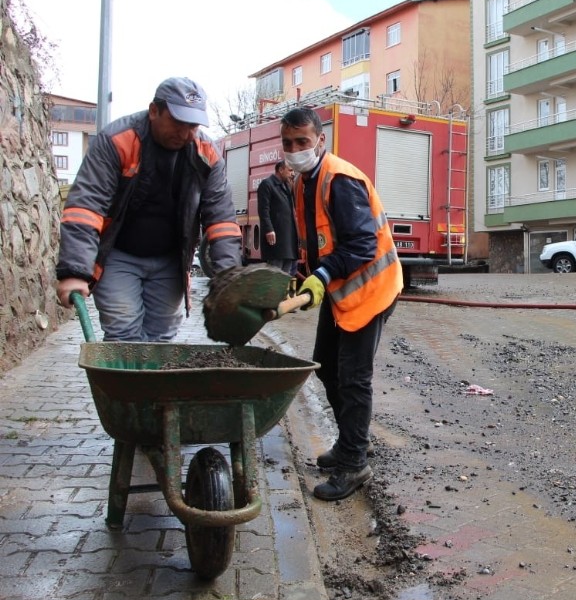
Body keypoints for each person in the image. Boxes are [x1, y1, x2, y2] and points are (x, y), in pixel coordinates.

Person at [55, 77, 242, 341]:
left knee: (161, 337)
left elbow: (221, 219)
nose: (187, 133)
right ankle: (122, 383)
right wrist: (74, 272)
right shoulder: (117, 141)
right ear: (154, 111)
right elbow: (86, 206)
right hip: (119, 255)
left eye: (194, 125)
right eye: (179, 122)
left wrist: (228, 280)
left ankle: (152, 384)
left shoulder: (206, 154)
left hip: (169, 260)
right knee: (123, 331)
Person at [281, 107, 403, 502]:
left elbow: (363, 246)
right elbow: (319, 241)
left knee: (353, 378)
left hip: (371, 290)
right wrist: (306, 278)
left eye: (303, 142)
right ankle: (354, 441)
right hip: (341, 292)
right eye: (289, 144)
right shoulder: (303, 182)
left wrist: (321, 276)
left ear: (320, 140)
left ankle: (354, 465)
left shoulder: (341, 179)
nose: (296, 150)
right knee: (327, 366)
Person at [258, 160, 299, 286]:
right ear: (280, 170)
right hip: (276, 238)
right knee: (275, 272)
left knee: (285, 275)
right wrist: (269, 229)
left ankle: (280, 300)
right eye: (290, 170)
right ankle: (270, 301)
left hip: (288, 239)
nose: (293, 174)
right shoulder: (267, 184)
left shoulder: (287, 186)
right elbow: (263, 210)